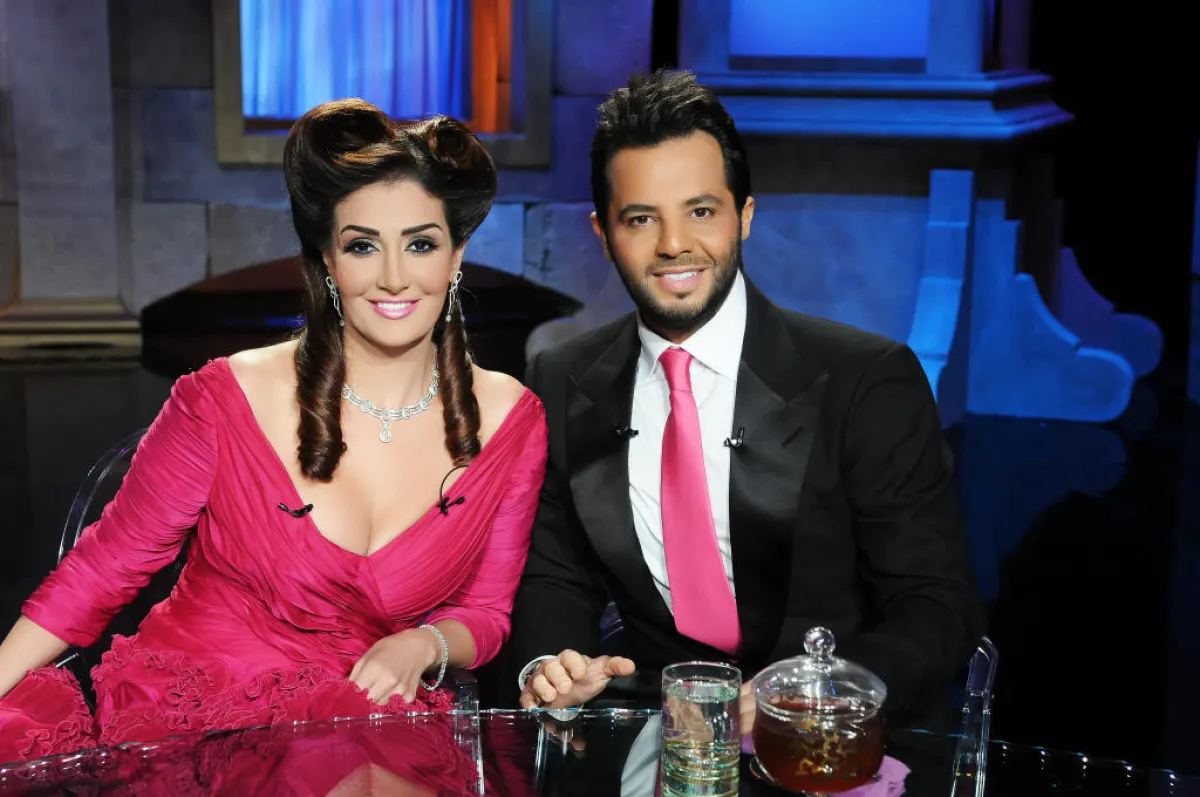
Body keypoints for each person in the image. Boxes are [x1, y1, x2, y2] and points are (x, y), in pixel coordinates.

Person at [0, 98, 547, 763]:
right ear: (328, 260)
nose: (394, 277)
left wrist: (424, 643)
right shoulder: (223, 397)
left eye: (421, 244)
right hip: (198, 717)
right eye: (363, 245)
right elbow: (101, 571)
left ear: (456, 254)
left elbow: (485, 613)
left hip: (361, 721)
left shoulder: (513, 421)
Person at [504, 69, 985, 732]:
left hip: (833, 742)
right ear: (603, 232)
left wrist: (815, 697)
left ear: (745, 216)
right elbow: (555, 576)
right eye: (641, 218)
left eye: (701, 211)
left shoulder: (867, 380)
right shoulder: (560, 377)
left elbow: (937, 605)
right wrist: (550, 665)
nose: (674, 244)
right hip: (656, 732)